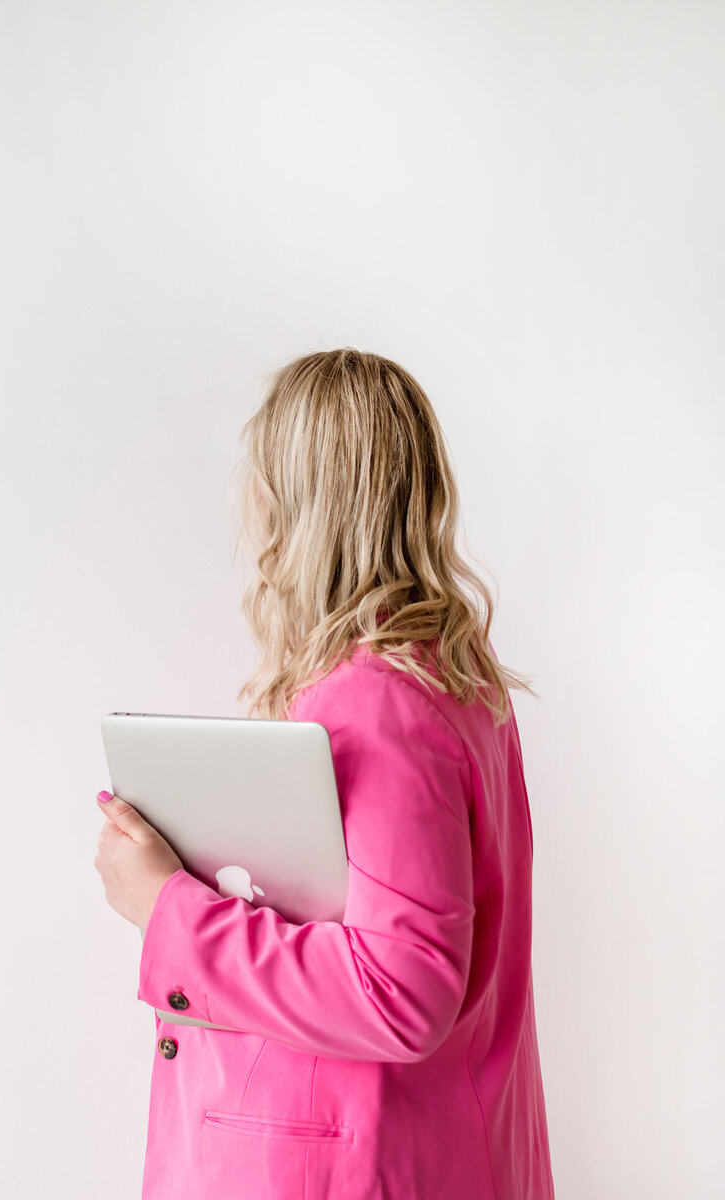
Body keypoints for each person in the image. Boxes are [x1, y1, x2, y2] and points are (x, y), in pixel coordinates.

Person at [94, 347, 556, 1199]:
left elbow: (403, 989)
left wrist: (168, 908)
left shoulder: (378, 700)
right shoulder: (454, 681)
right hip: (428, 1147)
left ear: (297, 504)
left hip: (356, 1166)